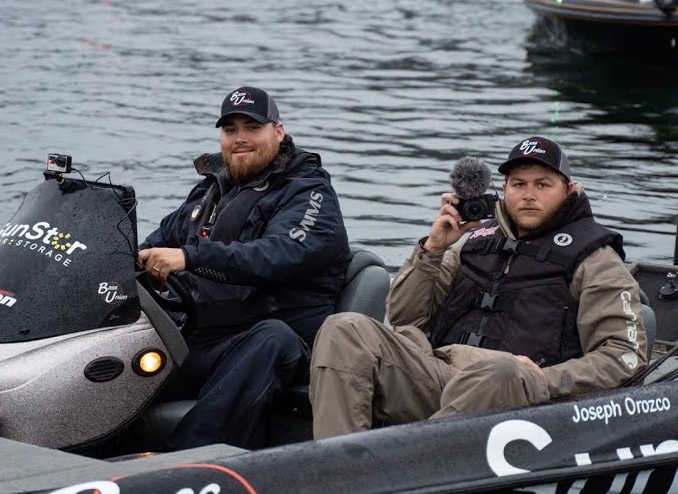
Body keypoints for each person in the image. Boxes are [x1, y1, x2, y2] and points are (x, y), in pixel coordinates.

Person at [309, 135, 645, 439]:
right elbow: (405, 318)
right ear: (504, 188)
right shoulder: (473, 243)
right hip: (444, 373)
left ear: (569, 189)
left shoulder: (596, 259)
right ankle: (339, 468)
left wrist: (546, 380)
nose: (528, 196)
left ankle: (411, 470)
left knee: (500, 370)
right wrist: (433, 249)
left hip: (522, 394)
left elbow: (623, 355)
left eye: (543, 185)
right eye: (518, 184)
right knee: (344, 328)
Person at [138, 86, 349, 449]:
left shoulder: (310, 193)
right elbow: (156, 243)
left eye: (252, 127)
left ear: (278, 132)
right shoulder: (211, 190)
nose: (240, 138)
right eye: (230, 129)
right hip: (199, 337)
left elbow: (276, 255)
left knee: (273, 337)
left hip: (274, 343)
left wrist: (191, 257)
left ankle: (186, 464)